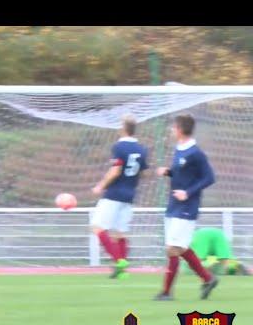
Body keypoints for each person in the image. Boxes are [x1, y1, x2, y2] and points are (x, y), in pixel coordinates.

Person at [154, 114, 217, 300]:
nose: (172, 130)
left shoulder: (196, 153)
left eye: (174, 127)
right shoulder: (179, 149)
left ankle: (166, 292)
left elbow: (209, 178)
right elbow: (182, 174)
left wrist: (187, 193)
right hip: (174, 204)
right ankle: (208, 279)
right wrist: (168, 172)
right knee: (180, 247)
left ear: (180, 130)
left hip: (187, 206)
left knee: (173, 248)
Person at [91, 115, 149, 278]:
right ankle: (122, 272)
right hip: (129, 194)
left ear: (122, 128)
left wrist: (100, 186)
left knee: (98, 228)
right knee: (120, 234)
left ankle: (119, 261)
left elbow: (115, 171)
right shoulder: (142, 149)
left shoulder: (119, 147)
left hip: (114, 194)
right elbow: (143, 173)